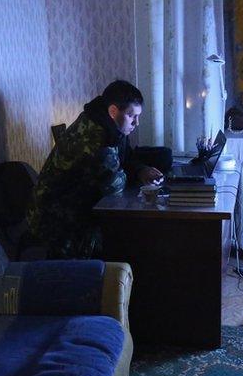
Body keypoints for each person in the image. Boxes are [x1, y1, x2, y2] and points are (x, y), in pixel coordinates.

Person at [28, 80, 163, 258]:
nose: (136, 123)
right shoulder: (95, 139)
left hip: (76, 208)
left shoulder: (110, 125)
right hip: (57, 219)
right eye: (132, 116)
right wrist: (131, 174)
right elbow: (114, 187)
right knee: (123, 244)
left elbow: (126, 157)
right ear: (113, 111)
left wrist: (141, 170)